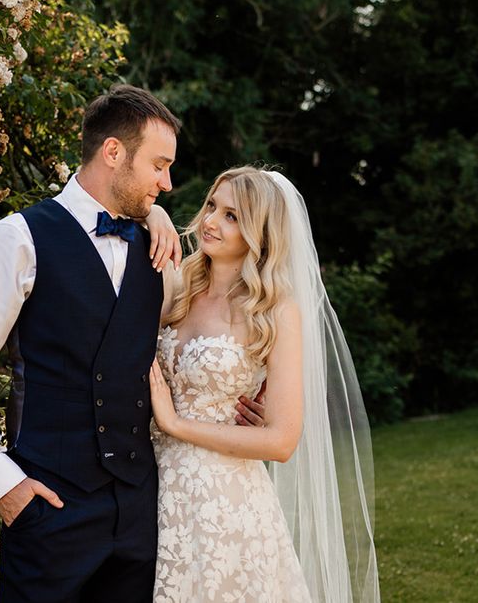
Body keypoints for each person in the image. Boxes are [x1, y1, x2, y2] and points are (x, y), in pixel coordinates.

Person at [0, 84, 184, 602]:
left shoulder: (157, 247)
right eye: (159, 166)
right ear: (113, 152)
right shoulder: (16, 239)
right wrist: (1, 480)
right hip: (49, 505)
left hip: (138, 511)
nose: (167, 183)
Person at [149, 166, 380, 603]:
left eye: (233, 216)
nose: (211, 222)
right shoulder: (179, 284)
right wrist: (155, 215)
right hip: (152, 488)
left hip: (225, 502)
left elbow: (281, 441)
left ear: (260, 232)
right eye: (212, 206)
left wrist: (174, 424)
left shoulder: (274, 311)